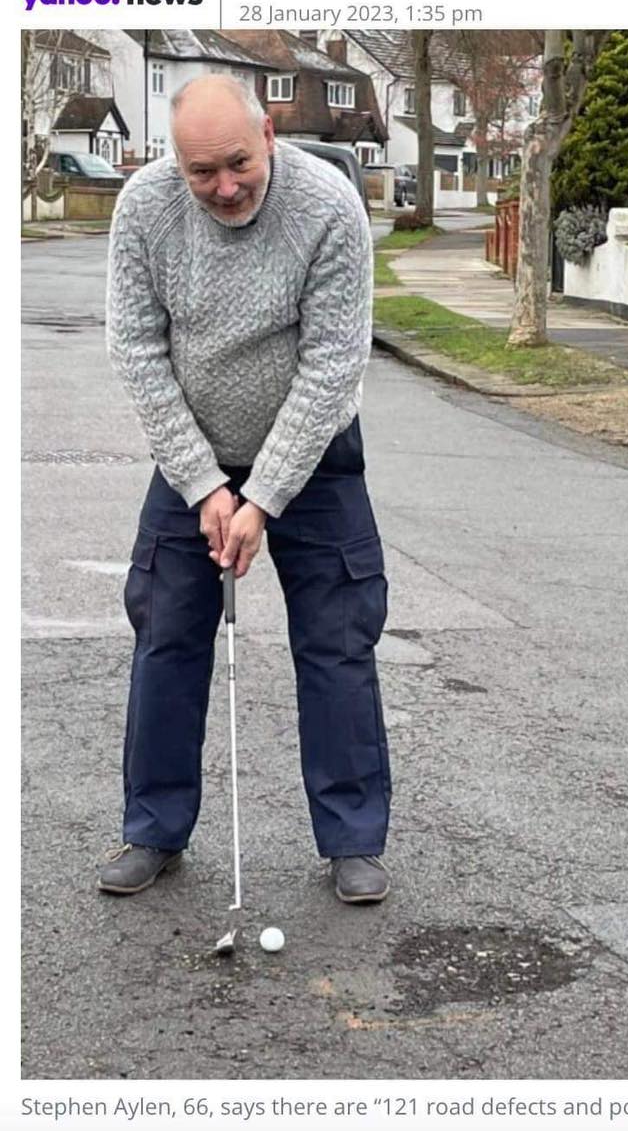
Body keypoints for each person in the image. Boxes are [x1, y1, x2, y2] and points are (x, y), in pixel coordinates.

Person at [100, 74, 392, 904]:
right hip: (193, 457)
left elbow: (334, 364)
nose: (224, 187)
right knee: (166, 631)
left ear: (269, 133)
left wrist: (261, 498)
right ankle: (152, 829)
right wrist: (204, 486)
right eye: (202, 172)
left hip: (313, 456)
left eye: (237, 162)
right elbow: (138, 353)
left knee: (339, 638)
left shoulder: (328, 205)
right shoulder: (145, 209)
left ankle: (353, 839)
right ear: (173, 160)